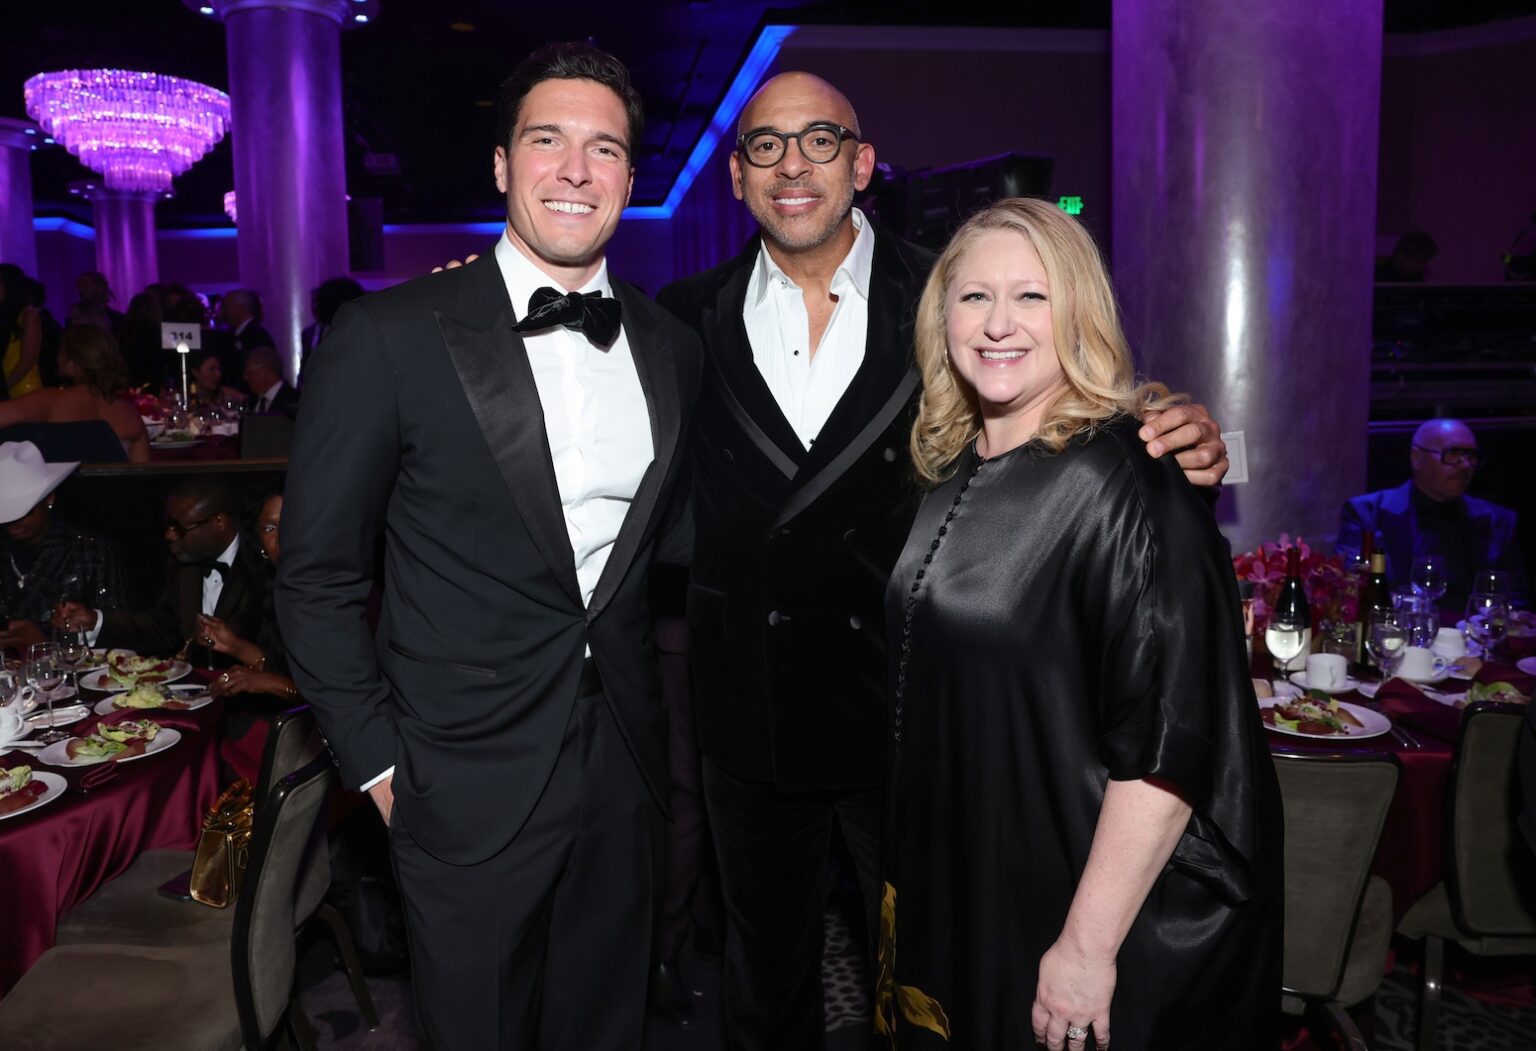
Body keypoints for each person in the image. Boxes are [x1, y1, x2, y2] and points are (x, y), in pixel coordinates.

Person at [653, 72, 1231, 1050]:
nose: (793, 164)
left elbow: (1054, 408)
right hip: (749, 708)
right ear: (737, 178)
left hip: (917, 714)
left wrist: (1168, 426)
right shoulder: (679, 317)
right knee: (762, 981)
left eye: (821, 139)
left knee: (929, 973)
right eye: (765, 145)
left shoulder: (954, 292)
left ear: (863, 164)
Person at [275, 42, 701, 1050]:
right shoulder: (388, 337)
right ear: (503, 165)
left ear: (631, 181)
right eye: (546, 141)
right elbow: (318, 576)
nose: (575, 170)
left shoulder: (672, 347)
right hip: (454, 777)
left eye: (605, 150)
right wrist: (376, 761)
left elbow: (684, 539)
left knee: (606, 1028)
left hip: (625, 768)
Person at [879, 197, 1280, 1050]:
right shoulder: (950, 461)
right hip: (983, 872)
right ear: (940, 314)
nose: (997, 324)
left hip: (1086, 900)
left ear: (1079, 311)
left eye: (1032, 296)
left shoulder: (1132, 479)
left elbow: (1172, 749)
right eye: (973, 296)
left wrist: (1086, 947)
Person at [54, 477, 265, 663]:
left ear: (219, 522)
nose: (169, 535)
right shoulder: (183, 561)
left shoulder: (262, 566)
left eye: (179, 527)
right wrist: (95, 621)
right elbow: (164, 627)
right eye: (168, 525)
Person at [1336, 418, 1525, 609]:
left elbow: (1515, 602)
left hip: (1472, 635)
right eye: (1453, 454)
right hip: (1395, 634)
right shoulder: (1367, 513)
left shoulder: (1499, 521)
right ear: (1416, 458)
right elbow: (1352, 588)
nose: (1465, 465)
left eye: (1471, 456)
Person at [0, 441, 129, 651]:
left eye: (25, 511)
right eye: (6, 513)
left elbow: (120, 635)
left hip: (74, 674)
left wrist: (46, 640)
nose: (14, 522)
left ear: (49, 499)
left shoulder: (93, 552)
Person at [0, 324, 151, 462]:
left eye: (60, 351)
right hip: (113, 491)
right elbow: (141, 480)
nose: (57, 357)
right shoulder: (131, 415)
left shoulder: (52, 401)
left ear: (72, 363)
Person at [206, 490, 299, 701]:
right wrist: (236, 646)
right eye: (270, 529)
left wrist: (273, 683)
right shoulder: (275, 590)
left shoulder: (338, 591)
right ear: (261, 546)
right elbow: (287, 671)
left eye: (292, 523)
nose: (283, 538)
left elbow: (341, 696)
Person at [299, 276, 365, 380]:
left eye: (317, 303)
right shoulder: (310, 332)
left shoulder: (355, 335)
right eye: (313, 302)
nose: (315, 306)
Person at [0, 263, 44, 399]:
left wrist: (5, 387)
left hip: (25, 388)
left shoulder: (28, 314)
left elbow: (28, 360)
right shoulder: (6, 316)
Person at [218, 289, 275, 368]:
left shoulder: (256, 336)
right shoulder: (234, 334)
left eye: (227, 307)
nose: (223, 312)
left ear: (241, 308)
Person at [242, 346, 299, 416]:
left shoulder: (295, 401)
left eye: (248, 371)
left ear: (262, 370)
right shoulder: (252, 401)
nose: (245, 377)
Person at [74, 271, 125, 335]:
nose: (81, 289)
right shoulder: (75, 316)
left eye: (86, 284)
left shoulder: (118, 319)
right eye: (79, 285)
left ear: (100, 288)